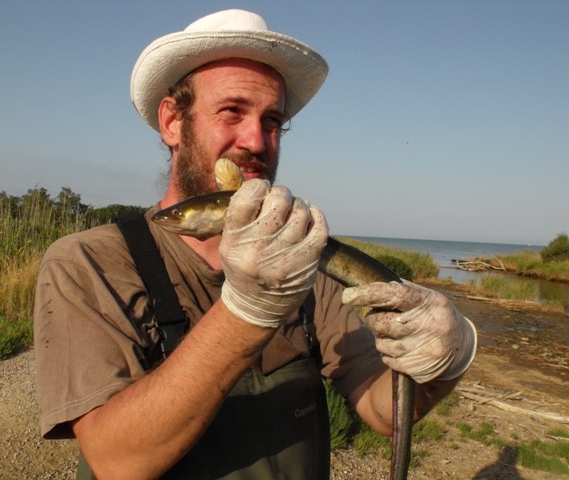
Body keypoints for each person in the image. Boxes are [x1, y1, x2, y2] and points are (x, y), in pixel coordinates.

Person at [34, 9, 477, 480]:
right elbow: (116, 460)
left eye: (272, 120)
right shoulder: (89, 263)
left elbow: (387, 411)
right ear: (171, 122)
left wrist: (449, 357)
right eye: (231, 111)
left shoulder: (307, 260)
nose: (257, 141)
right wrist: (248, 311)